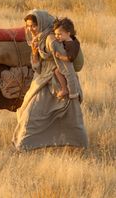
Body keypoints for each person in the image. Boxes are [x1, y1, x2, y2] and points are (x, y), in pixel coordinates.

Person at [12, 9, 88, 151]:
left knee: (35, 117)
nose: (30, 29)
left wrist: (72, 92)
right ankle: (25, 147)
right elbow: (38, 68)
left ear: (41, 24)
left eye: (33, 25)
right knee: (27, 114)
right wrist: (35, 53)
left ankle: (23, 147)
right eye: (28, 26)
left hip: (58, 84)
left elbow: (66, 67)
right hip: (42, 80)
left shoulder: (51, 40)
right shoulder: (39, 39)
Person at [52, 17, 80, 98]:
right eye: (55, 34)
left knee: (68, 75)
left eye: (59, 34)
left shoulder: (70, 44)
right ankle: (64, 88)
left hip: (69, 64)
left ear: (68, 33)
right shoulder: (69, 40)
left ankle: (71, 92)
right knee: (57, 71)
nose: (57, 36)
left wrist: (60, 56)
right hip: (68, 63)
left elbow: (70, 58)